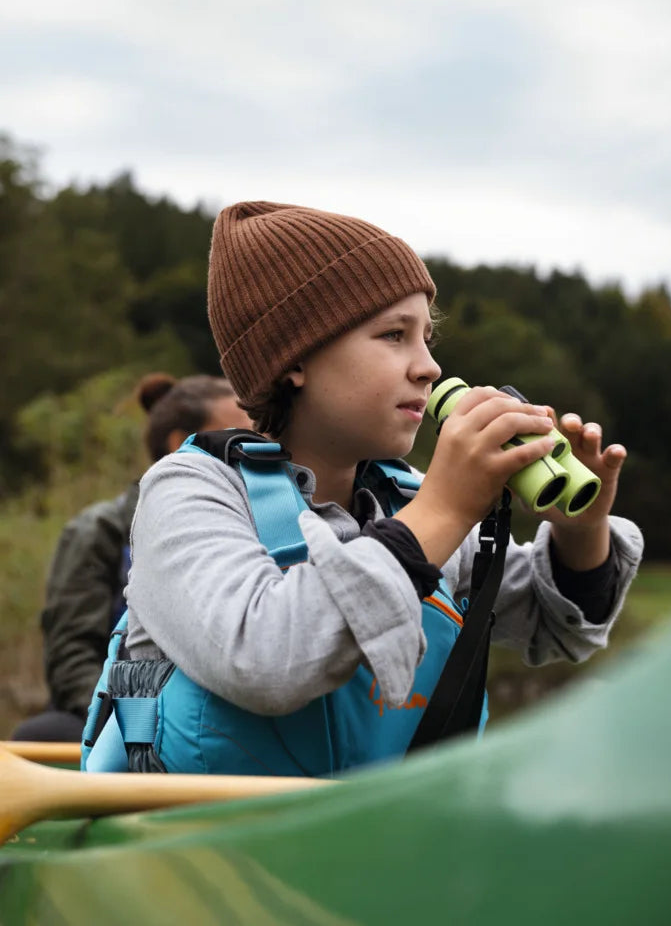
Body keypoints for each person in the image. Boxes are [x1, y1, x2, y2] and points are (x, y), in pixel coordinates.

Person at [101, 201, 643, 776]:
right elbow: (263, 660)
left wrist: (581, 528)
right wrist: (446, 507)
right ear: (295, 359)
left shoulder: (406, 502)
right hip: (205, 855)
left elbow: (556, 625)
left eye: (427, 339)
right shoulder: (189, 491)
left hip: (380, 855)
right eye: (394, 336)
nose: (429, 367)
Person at [12, 373, 250, 743]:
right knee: (39, 735)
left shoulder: (260, 522)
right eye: (237, 435)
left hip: (212, 720)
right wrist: (129, 725)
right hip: (120, 719)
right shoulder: (99, 532)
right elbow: (72, 656)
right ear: (180, 445)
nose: (253, 448)